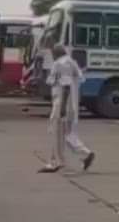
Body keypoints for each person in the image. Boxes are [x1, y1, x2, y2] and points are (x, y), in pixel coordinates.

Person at [40, 44, 95, 173]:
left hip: (62, 104)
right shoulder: (72, 62)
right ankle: (86, 154)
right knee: (67, 134)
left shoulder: (60, 64)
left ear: (55, 54)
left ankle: (55, 163)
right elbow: (79, 80)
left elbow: (66, 86)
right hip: (72, 105)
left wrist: (63, 107)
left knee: (56, 132)